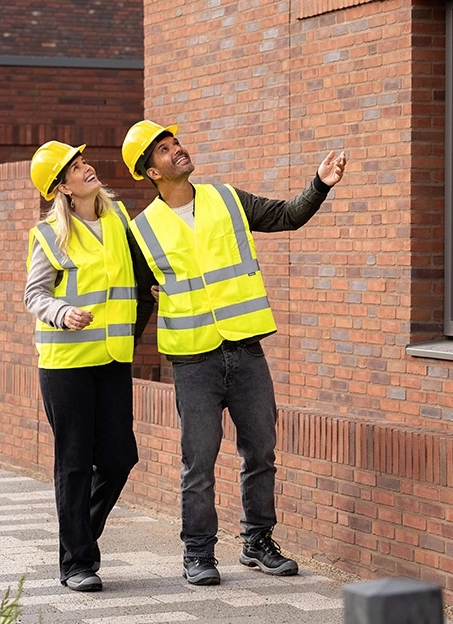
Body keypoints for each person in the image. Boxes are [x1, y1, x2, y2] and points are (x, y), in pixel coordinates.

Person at [120, 120, 347, 586]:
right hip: (193, 361)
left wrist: (320, 184)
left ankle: (257, 542)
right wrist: (119, 356)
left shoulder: (226, 199)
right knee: (199, 463)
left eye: (176, 143)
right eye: (164, 149)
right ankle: (198, 553)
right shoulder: (141, 230)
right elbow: (141, 298)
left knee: (261, 452)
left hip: (246, 351)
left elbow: (286, 216)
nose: (177, 150)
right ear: (152, 172)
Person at [24, 140, 156, 592]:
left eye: (84, 162)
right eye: (76, 168)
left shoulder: (117, 218)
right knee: (75, 463)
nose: (87, 169)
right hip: (66, 365)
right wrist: (62, 312)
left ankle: (80, 538)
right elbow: (35, 294)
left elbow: (137, 275)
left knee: (119, 459)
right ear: (62, 187)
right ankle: (77, 562)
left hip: (113, 358)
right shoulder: (50, 234)